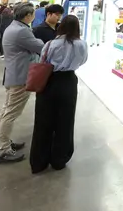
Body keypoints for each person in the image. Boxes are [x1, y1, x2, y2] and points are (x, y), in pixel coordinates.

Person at [30, 15, 88, 174]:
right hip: (69, 82)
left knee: (43, 121)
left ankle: (39, 161)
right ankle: (59, 159)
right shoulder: (82, 44)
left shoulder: (51, 44)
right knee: (65, 122)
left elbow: (43, 62)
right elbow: (83, 61)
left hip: (49, 81)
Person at [0, 2, 45, 164]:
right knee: (10, 113)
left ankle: (4, 142)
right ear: (28, 15)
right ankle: (3, 150)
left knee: (7, 110)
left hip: (13, 74)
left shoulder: (14, 27)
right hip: (20, 77)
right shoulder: (22, 31)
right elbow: (41, 47)